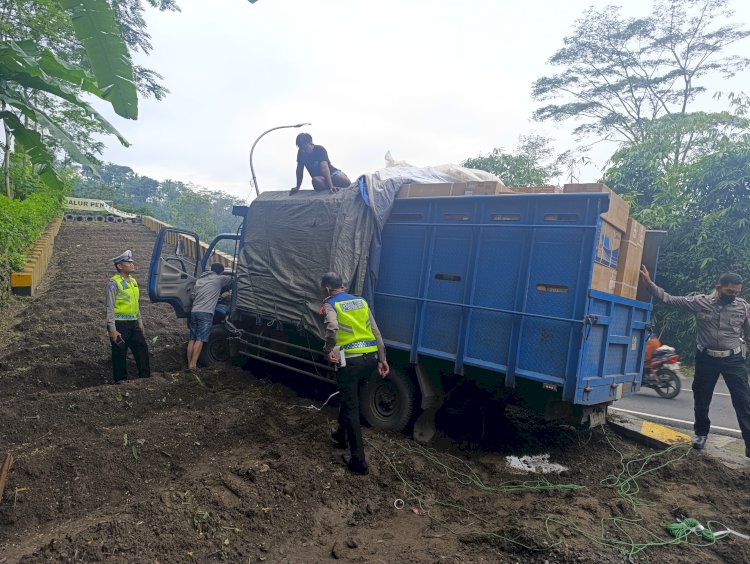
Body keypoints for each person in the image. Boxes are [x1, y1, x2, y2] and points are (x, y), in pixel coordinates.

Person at [640, 265, 750, 454]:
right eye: (729, 291)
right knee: (701, 397)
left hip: (733, 359)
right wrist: (649, 284)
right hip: (706, 358)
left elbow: (748, 333)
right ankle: (700, 433)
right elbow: (669, 299)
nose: (733, 295)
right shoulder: (700, 302)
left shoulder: (743, 307)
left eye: (736, 292)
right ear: (718, 287)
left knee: (743, 401)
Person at [320, 272, 389, 475]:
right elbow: (376, 331)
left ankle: (358, 461)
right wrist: (382, 358)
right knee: (349, 398)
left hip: (350, 361)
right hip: (369, 359)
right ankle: (341, 436)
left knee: (351, 407)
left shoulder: (332, 304)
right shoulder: (360, 301)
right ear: (342, 285)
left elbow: (332, 326)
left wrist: (327, 351)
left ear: (326, 288)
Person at [106, 250, 151, 383]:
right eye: (128, 262)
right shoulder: (113, 283)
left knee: (142, 349)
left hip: (134, 323)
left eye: (132, 262)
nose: (132, 264)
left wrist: (140, 321)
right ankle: (120, 382)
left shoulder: (133, 282)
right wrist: (112, 329)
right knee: (119, 354)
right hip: (120, 324)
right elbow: (110, 307)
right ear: (120, 266)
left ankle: (146, 378)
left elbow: (136, 304)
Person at [187, 263, 234, 369]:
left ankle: (189, 363)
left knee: (192, 338)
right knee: (200, 338)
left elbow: (193, 296)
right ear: (220, 272)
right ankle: (193, 365)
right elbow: (233, 280)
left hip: (194, 311)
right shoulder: (219, 279)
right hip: (206, 312)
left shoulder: (200, 280)